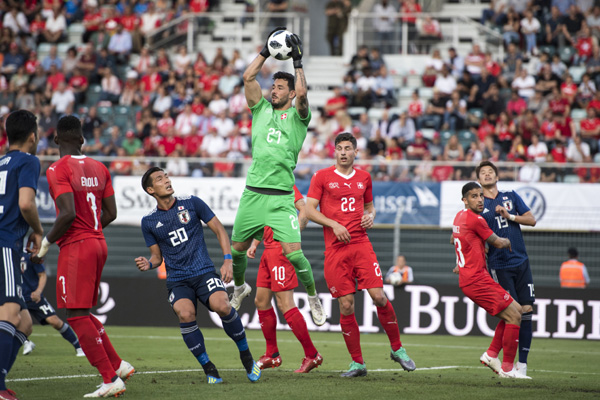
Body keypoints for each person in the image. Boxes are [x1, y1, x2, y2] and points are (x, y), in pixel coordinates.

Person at [229, 29, 326, 326]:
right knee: (237, 251)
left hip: (282, 197)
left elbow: (305, 94)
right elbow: (247, 78)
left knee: (295, 255)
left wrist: (297, 61)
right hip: (254, 192)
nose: (274, 90)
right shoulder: (260, 110)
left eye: (281, 87)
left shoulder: (298, 117)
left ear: (291, 92)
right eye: (274, 86)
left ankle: (312, 296)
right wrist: (266, 51)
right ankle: (238, 287)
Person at [33, 116, 134, 398]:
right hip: (99, 243)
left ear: (55, 140)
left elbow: (67, 214)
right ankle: (117, 365)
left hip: (77, 246)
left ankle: (109, 378)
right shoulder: (100, 167)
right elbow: (111, 213)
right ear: (82, 139)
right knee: (84, 313)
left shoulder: (57, 168)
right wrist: (93, 229)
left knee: (75, 316)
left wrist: (46, 244)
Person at [136, 167, 261, 384]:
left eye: (166, 175)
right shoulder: (148, 221)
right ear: (150, 189)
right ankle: (208, 367)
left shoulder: (192, 203)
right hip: (178, 280)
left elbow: (220, 230)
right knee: (185, 314)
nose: (166, 180)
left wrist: (228, 259)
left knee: (222, 305)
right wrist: (148, 263)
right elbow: (157, 257)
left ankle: (247, 357)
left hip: (203, 271)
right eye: (159, 179)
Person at [306, 132, 415, 378]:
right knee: (346, 306)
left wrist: (371, 216)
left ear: (356, 152)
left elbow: (369, 207)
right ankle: (357, 363)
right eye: (339, 148)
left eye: (348, 148)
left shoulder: (364, 177)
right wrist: (334, 224)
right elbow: (310, 210)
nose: (343, 152)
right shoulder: (321, 176)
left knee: (379, 296)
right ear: (334, 152)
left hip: (361, 244)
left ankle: (398, 349)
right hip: (335, 250)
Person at [452, 183, 528, 379]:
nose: (479, 200)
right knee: (515, 317)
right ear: (465, 200)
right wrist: (509, 240)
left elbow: (455, 240)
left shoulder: (459, 217)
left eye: (480, 196)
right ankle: (508, 369)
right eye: (474, 196)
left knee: (517, 310)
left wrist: (472, 254)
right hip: (476, 280)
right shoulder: (476, 219)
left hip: (471, 277)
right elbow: (498, 242)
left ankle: (491, 355)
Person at [247, 185, 323, 373]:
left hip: (281, 250)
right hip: (267, 251)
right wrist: (255, 243)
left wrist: (292, 237)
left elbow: (304, 210)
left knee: (285, 303)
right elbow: (263, 220)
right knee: (261, 301)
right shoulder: (262, 188)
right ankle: (272, 354)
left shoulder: (286, 184)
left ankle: (312, 355)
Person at [476, 161, 536, 378]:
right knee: (514, 312)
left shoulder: (511, 196)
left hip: (521, 261)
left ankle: (521, 365)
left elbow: (532, 220)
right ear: (479, 181)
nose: (487, 174)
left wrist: (510, 217)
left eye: (490, 171)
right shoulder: (479, 206)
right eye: (483, 173)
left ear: (497, 176)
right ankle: (498, 358)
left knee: (527, 311)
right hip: (499, 265)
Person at [0, 110, 43, 400]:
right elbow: (26, 203)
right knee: (10, 313)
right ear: (32, 136)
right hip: (4, 243)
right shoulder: (28, 161)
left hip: (6, 243)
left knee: (25, 322)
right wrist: (37, 231)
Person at [19, 252, 84, 357]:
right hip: (17, 297)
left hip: (33, 297)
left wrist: (38, 292)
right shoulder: (8, 254)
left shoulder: (30, 256)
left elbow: (42, 274)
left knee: (54, 321)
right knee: (12, 321)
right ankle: (26, 342)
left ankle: (79, 346)